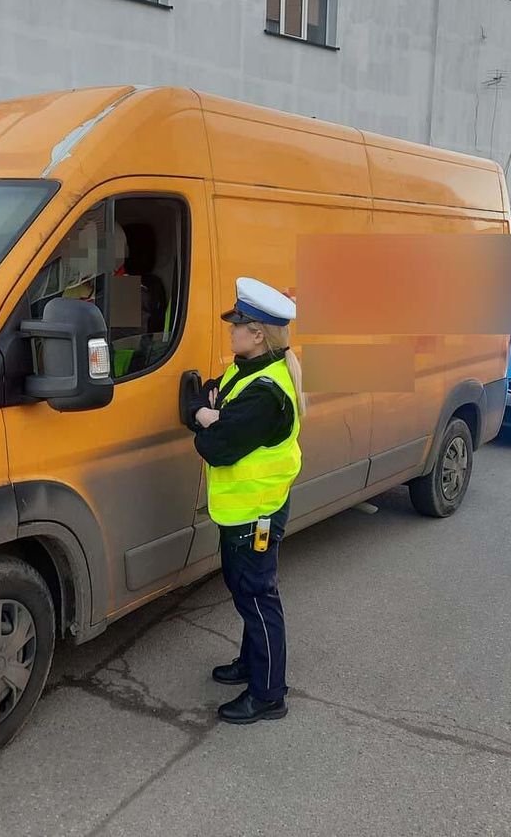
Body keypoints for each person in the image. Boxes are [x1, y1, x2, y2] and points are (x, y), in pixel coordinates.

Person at [186, 277, 305, 725]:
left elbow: (216, 446)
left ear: (258, 333)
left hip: (256, 512)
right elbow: (208, 393)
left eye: (237, 325)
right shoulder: (247, 368)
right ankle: (251, 663)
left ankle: (269, 693)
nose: (230, 331)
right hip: (241, 509)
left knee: (257, 597)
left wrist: (204, 417)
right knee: (244, 591)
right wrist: (208, 412)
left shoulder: (266, 391)